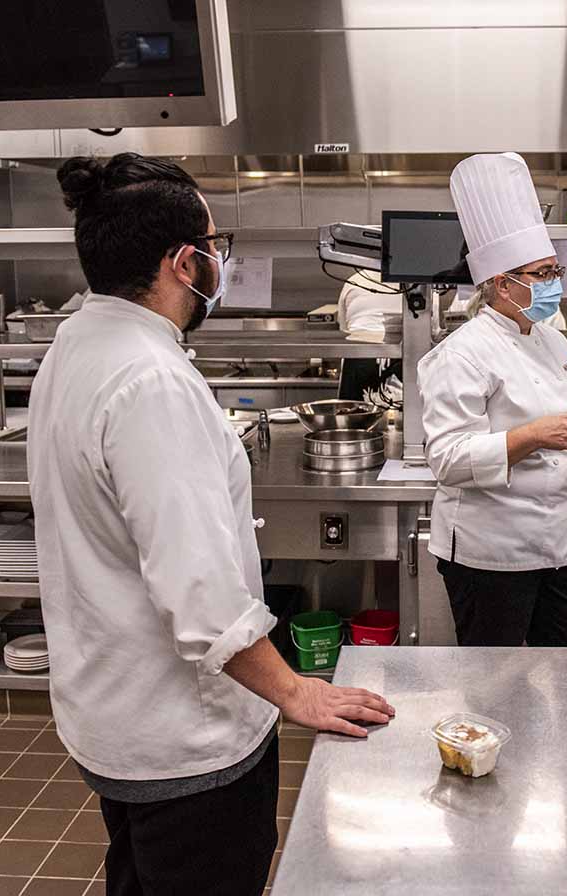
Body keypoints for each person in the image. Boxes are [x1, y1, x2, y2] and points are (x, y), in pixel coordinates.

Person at [27, 153, 394, 896]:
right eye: (216, 247)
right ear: (183, 262)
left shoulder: (77, 344)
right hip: (184, 741)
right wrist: (296, 692)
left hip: (114, 716)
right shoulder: (153, 382)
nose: (220, 263)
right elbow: (201, 598)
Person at [418, 152, 567, 648]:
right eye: (543, 273)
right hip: (492, 553)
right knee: (496, 685)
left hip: (560, 544)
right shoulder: (462, 353)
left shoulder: (552, 339)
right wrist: (534, 435)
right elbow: (446, 459)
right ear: (502, 284)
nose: (556, 283)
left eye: (555, 270)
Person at [336, 269, 403, 401]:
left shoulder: (355, 280)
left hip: (360, 357)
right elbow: (433, 328)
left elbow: (344, 329)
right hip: (405, 357)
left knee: (354, 416)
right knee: (405, 418)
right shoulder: (424, 284)